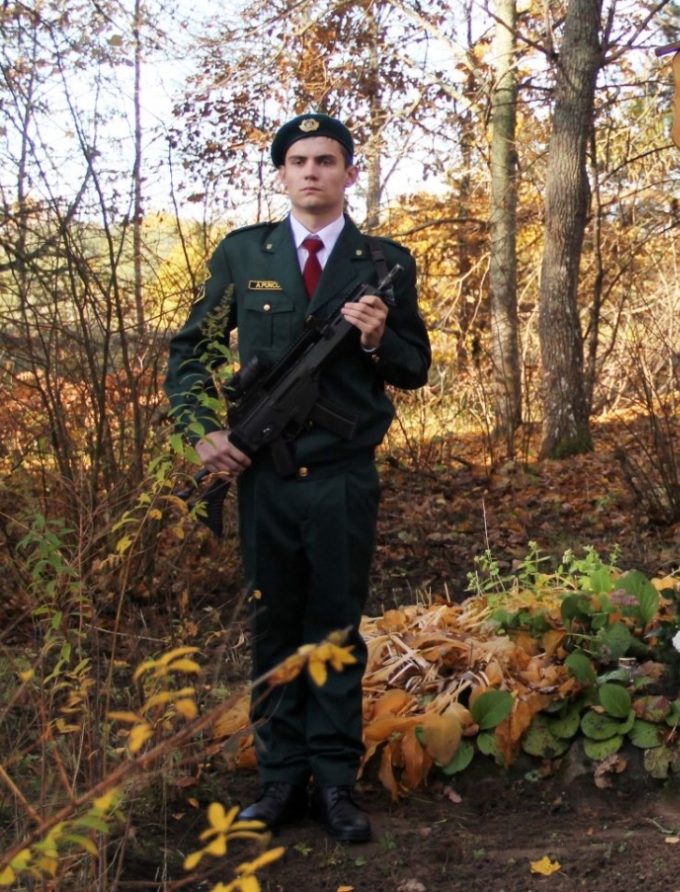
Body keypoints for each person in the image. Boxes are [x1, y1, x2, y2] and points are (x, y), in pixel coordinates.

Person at [166, 113, 431, 842]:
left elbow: (416, 366)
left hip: (342, 478)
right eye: (298, 160)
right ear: (281, 175)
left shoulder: (385, 261)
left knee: (336, 627)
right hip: (266, 480)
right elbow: (188, 350)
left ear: (349, 173)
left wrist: (378, 338)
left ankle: (337, 782)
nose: (311, 171)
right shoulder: (242, 254)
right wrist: (201, 431)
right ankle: (280, 777)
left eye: (326, 160)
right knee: (274, 624)